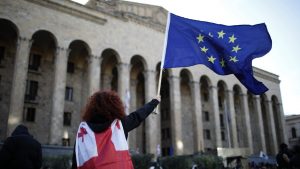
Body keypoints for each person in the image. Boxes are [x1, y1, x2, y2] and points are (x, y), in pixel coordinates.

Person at [72, 90, 160, 169]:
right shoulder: (119, 125)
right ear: (115, 106)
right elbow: (138, 116)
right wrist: (154, 102)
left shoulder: (83, 131)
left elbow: (77, 161)